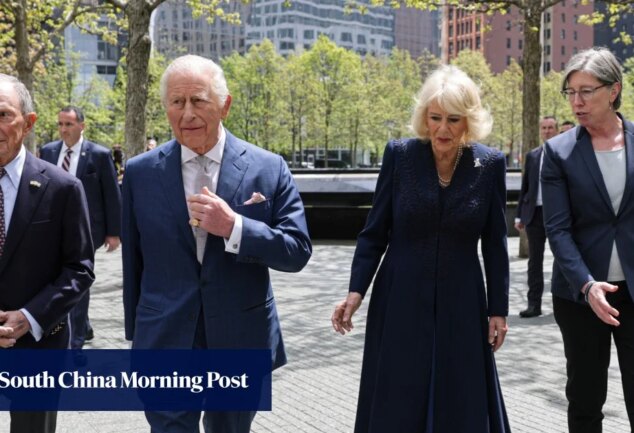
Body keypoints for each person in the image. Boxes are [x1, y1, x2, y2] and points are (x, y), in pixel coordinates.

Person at [121, 54, 312, 433]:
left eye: (198, 100)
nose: (187, 113)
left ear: (225, 105)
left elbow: (296, 251)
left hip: (240, 336)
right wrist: (137, 337)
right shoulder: (140, 173)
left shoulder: (268, 167)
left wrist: (235, 227)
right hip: (165, 337)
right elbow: (134, 262)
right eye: (177, 102)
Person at [332, 65, 511, 432]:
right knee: (399, 390)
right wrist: (355, 291)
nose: (443, 129)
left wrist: (499, 310)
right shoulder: (400, 155)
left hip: (463, 298)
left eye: (453, 119)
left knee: (460, 391)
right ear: (424, 117)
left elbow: (495, 243)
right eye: (435, 117)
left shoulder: (489, 164)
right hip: (400, 294)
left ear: (469, 121)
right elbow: (374, 232)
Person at [542, 47, 634, 432]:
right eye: (570, 92)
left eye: (586, 91)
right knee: (585, 400)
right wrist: (587, 285)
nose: (576, 102)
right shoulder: (557, 152)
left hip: (633, 292)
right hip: (579, 297)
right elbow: (558, 229)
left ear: (613, 90)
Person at [0, 74, 94, 432]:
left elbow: (79, 269)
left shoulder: (63, 188)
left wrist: (28, 317)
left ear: (29, 123)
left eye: (3, 115)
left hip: (37, 346)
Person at [40, 106, 122, 349]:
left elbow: (111, 194)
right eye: (60, 124)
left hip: (87, 229)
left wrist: (114, 232)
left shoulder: (99, 154)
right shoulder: (48, 151)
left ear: (82, 126)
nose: (64, 129)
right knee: (56, 278)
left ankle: (75, 342)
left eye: (69, 124)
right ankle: (81, 326)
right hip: (52, 229)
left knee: (77, 280)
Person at [515, 116, 558, 318]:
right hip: (534, 215)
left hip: (557, 215)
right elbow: (525, 187)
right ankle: (534, 305)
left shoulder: (564, 153)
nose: (547, 131)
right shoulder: (532, 156)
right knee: (534, 263)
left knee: (563, 261)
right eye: (544, 128)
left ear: (556, 130)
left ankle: (565, 304)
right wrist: (519, 216)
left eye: (551, 128)